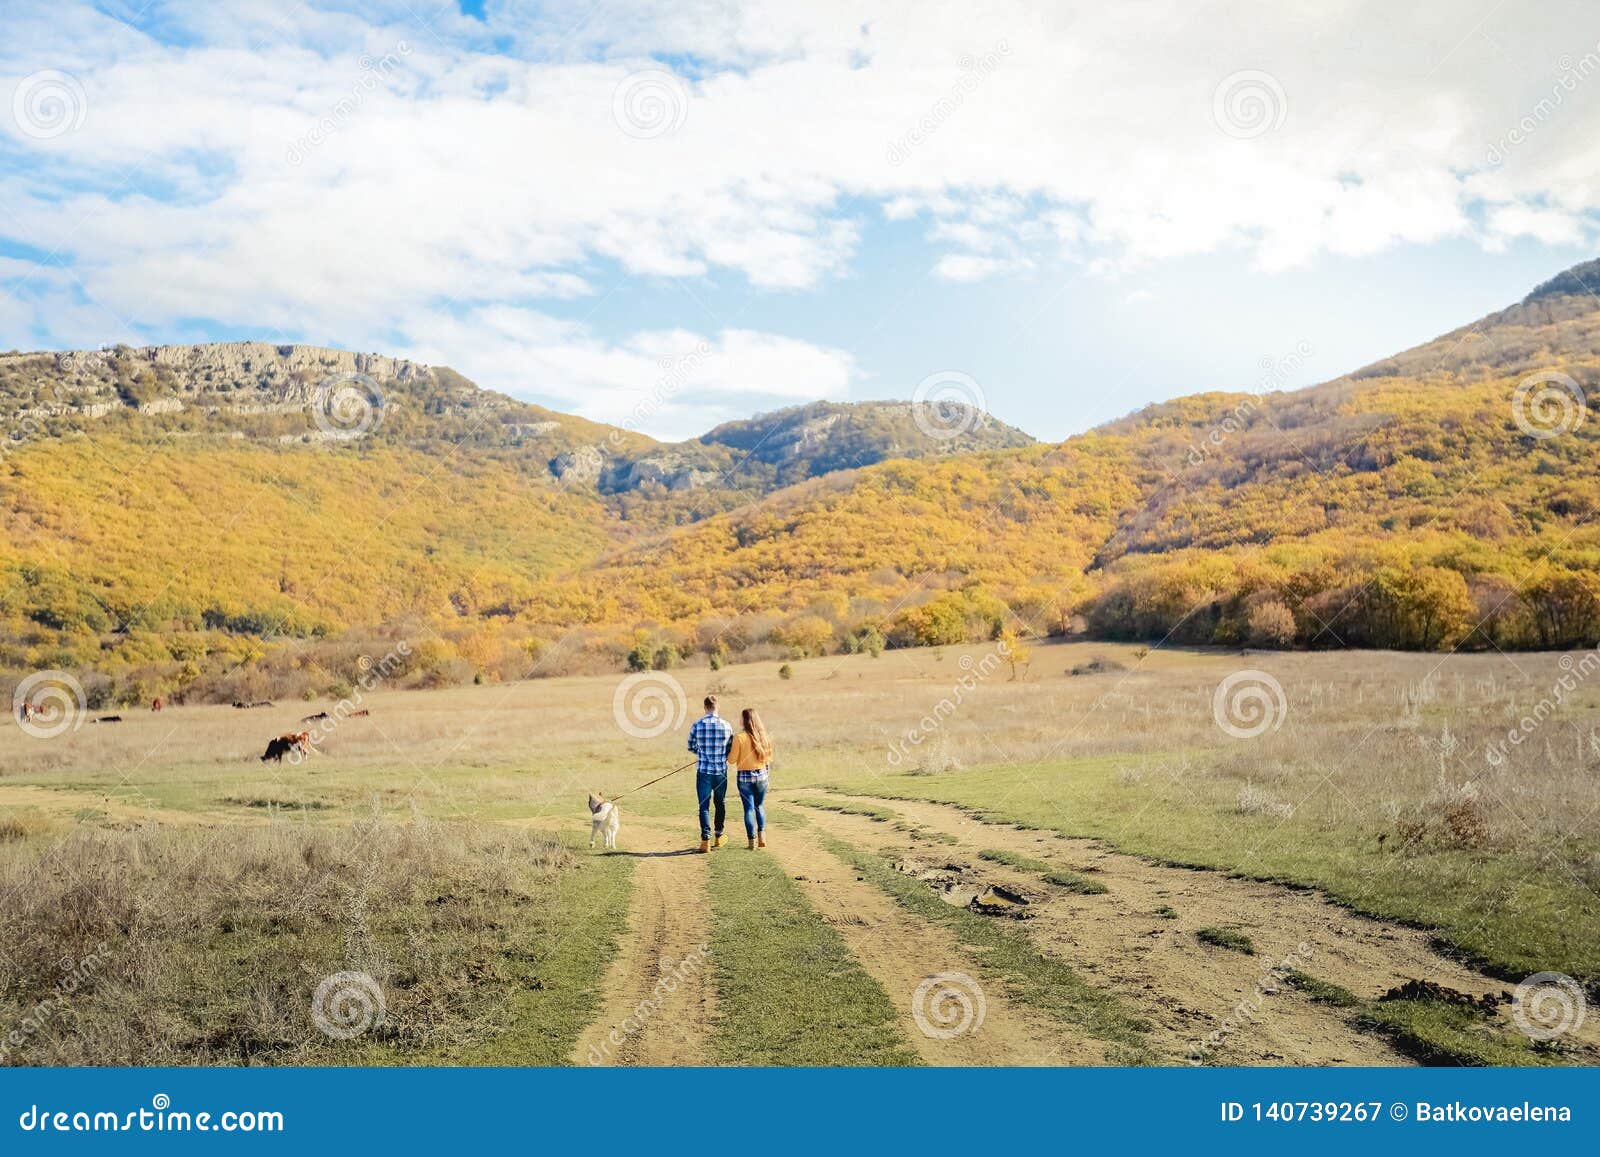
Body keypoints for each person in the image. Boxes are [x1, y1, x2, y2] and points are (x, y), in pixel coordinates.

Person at [687, 694, 733, 853]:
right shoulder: (727, 725)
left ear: (705, 707)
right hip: (721, 771)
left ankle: (705, 841)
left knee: (704, 806)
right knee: (720, 803)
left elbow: (691, 746)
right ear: (717, 707)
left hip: (704, 772)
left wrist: (702, 753)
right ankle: (719, 837)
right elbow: (730, 749)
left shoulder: (697, 725)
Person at [728, 707, 773, 849]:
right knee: (759, 806)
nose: (739, 719)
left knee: (748, 809)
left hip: (744, 778)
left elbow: (731, 760)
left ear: (745, 720)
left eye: (741, 717)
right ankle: (762, 838)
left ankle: (751, 841)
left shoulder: (738, 737)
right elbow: (768, 758)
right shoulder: (764, 736)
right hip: (762, 776)